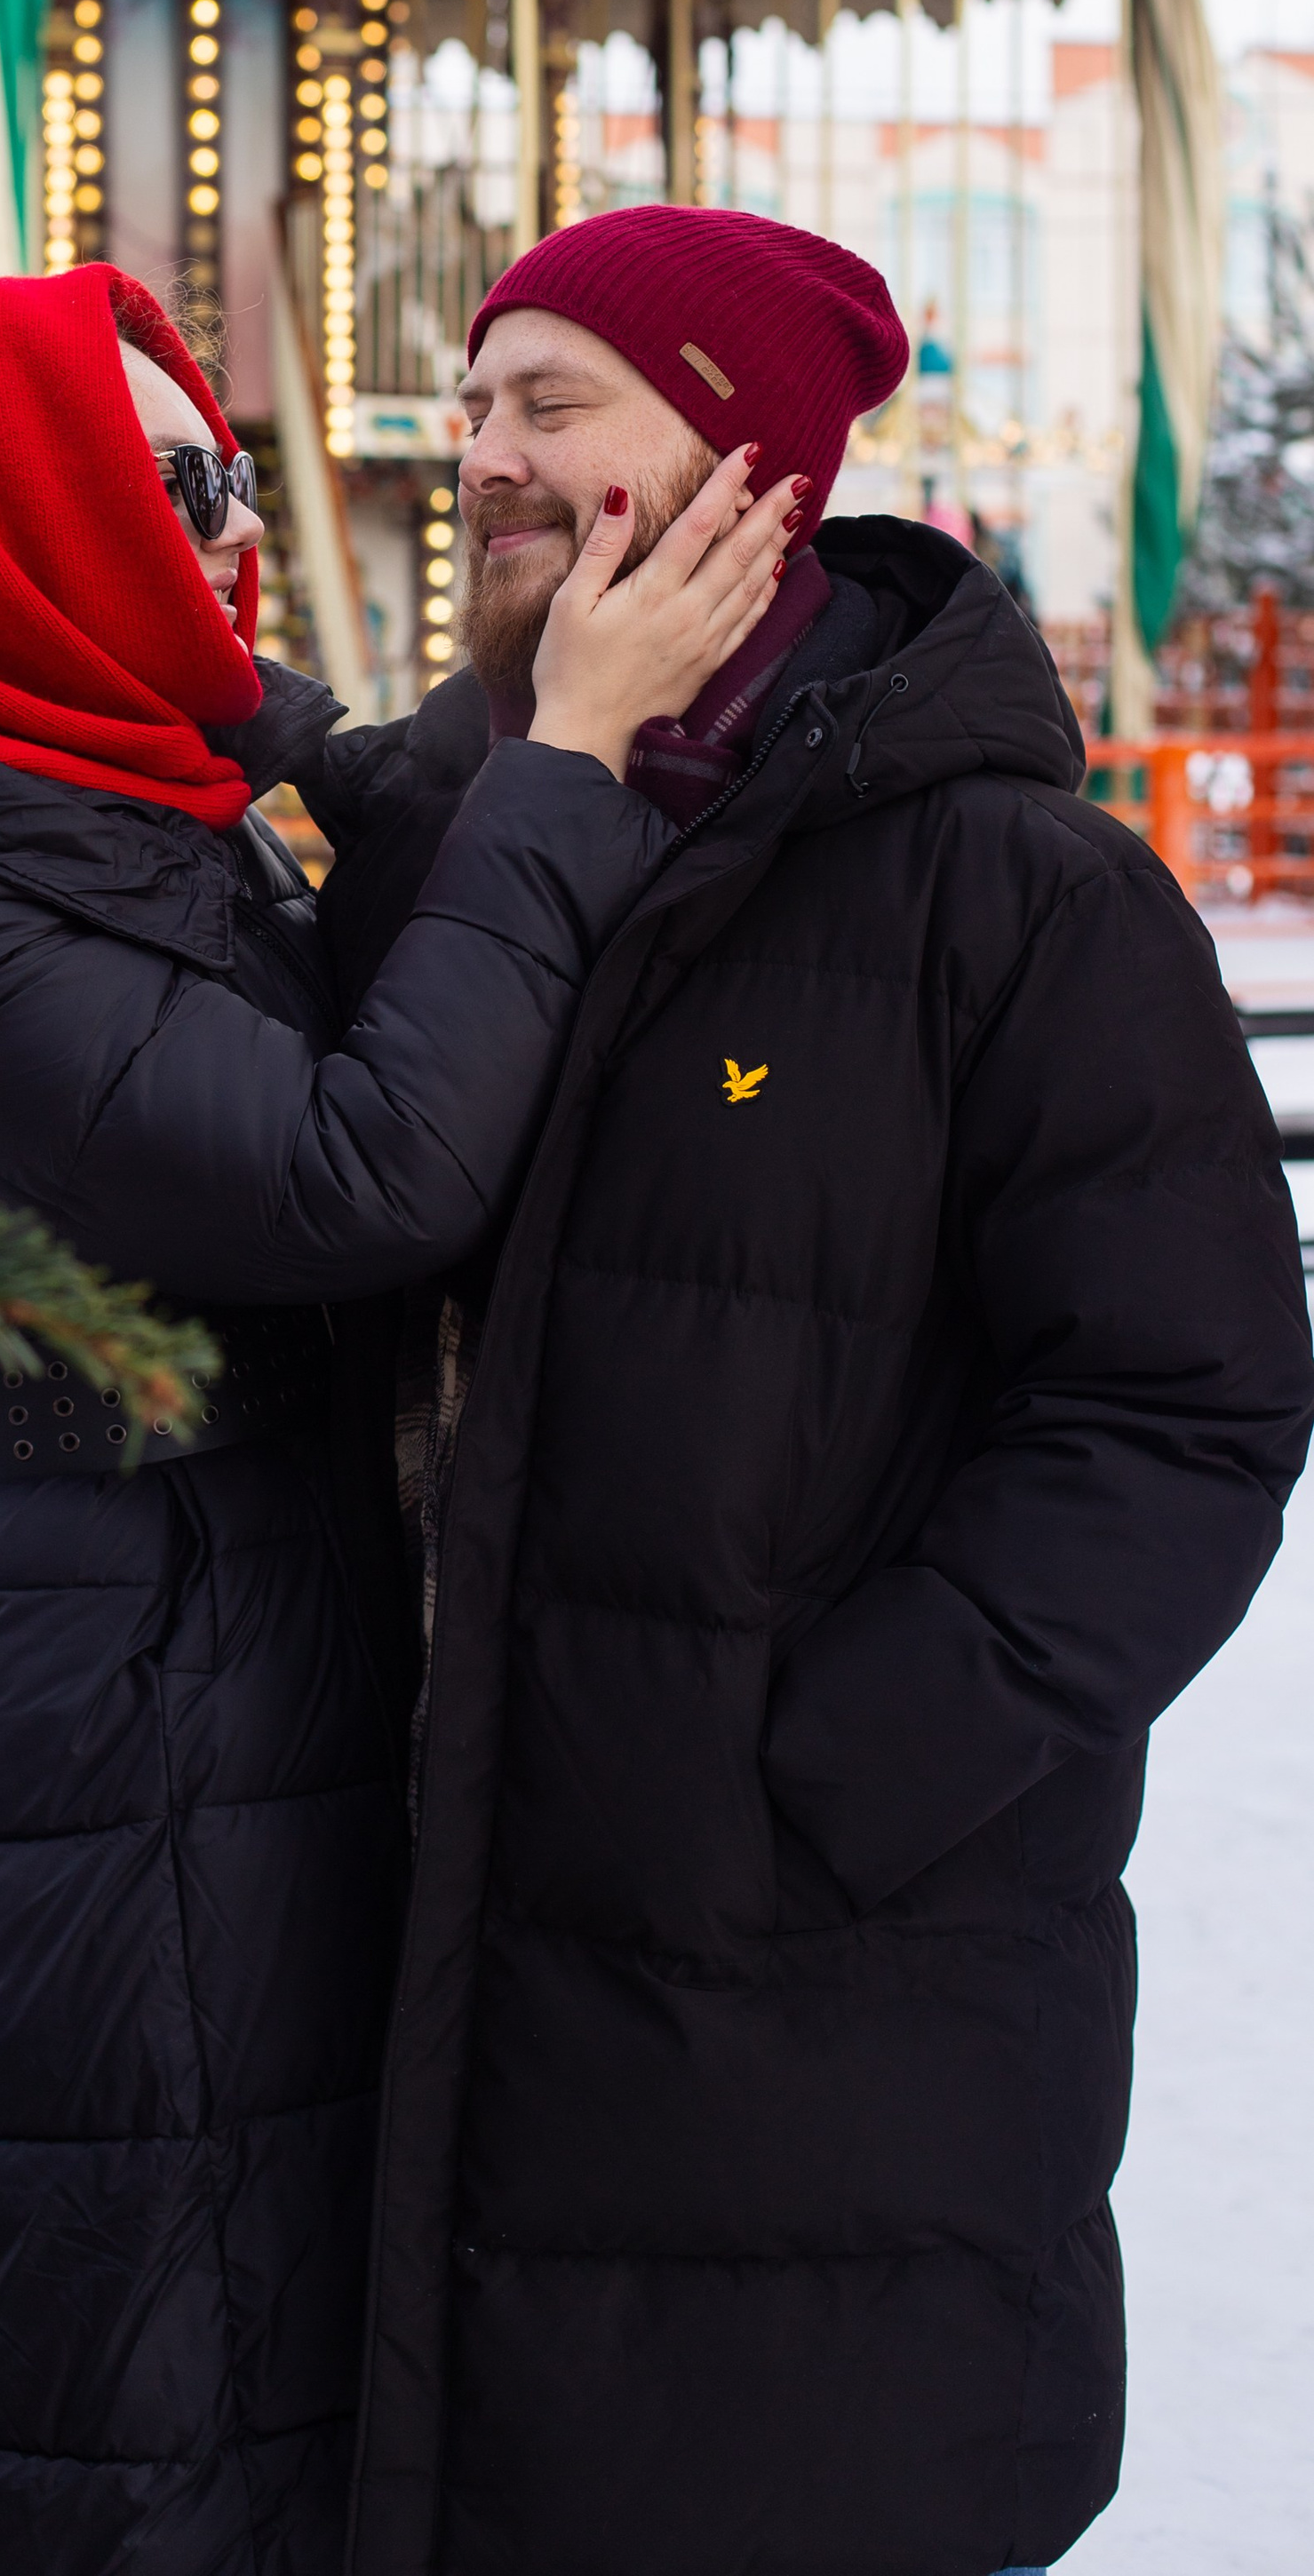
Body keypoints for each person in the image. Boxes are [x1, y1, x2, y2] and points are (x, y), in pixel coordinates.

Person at [0, 259, 792, 2576]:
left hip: (224, 1638)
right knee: (99, 2389)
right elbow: (350, 1168)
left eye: (228, 477)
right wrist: (567, 760)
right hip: (88, 1694)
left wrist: (584, 643)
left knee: (262, 2346)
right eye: (166, 482)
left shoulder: (131, 795)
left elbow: (376, 810)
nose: (227, 532)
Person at [297, 205, 1314, 2576]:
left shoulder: (1020, 901)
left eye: (554, 403)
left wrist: (825, 1771)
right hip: (446, 1965)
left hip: (822, 2021)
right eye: (474, 403)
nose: (482, 455)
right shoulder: (445, 853)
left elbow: (1179, 1406)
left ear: (746, 458)